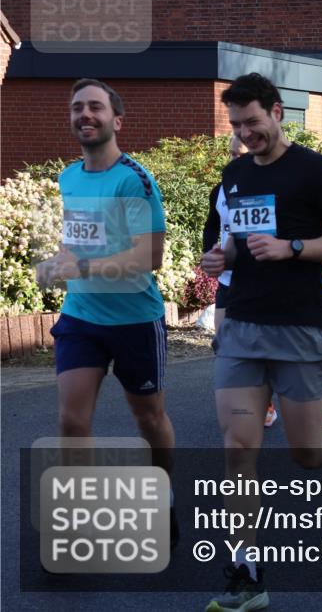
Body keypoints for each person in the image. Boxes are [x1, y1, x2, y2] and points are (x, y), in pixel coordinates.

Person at [201, 73, 322, 611]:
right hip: (244, 327)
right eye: (238, 125)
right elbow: (234, 242)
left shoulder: (316, 170)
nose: (246, 133)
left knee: (304, 450)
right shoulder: (233, 175)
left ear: (278, 112)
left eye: (253, 122)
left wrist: (292, 245)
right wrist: (221, 262)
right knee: (238, 448)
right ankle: (245, 571)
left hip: (299, 326)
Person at [36, 78, 178, 545]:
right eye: (77, 108)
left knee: (148, 419)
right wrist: (58, 262)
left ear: (116, 121)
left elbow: (148, 258)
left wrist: (82, 264)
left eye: (95, 107)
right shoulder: (69, 176)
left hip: (135, 320)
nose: (85, 115)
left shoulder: (133, 179)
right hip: (81, 317)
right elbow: (76, 238)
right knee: (72, 421)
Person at [204, 135, 280, 429]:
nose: (235, 161)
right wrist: (209, 251)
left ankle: (265, 400)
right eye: (232, 155)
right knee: (224, 344)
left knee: (259, 347)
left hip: (259, 279)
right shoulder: (221, 188)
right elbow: (212, 224)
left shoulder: (268, 188)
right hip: (228, 277)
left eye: (241, 155)